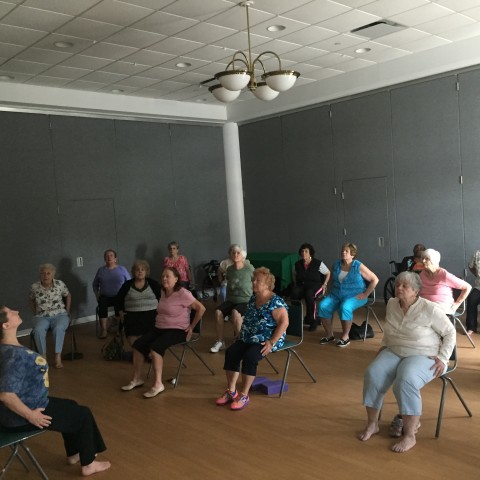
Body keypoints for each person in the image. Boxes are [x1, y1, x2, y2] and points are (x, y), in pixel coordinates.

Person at [0, 306, 111, 476]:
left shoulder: (6, 348)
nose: (16, 311)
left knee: (71, 405)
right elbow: (6, 395)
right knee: (83, 414)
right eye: (10, 313)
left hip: (22, 408)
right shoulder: (14, 356)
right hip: (23, 415)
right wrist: (31, 415)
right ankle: (88, 464)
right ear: (5, 326)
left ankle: (74, 454)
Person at [359, 271, 456, 453]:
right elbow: (389, 329)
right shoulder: (392, 304)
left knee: (405, 380)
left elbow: (450, 333)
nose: (399, 288)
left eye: (405, 286)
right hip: (395, 350)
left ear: (416, 291)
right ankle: (373, 424)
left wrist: (443, 358)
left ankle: (409, 435)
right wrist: (384, 345)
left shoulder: (430, 309)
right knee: (373, 373)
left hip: (424, 354)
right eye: (397, 285)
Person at [121, 267, 205, 398]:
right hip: (160, 328)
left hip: (178, 329)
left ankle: (158, 384)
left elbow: (201, 308)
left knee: (155, 348)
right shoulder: (162, 291)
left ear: (176, 279)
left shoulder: (183, 293)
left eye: (168, 276)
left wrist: (192, 327)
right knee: (137, 345)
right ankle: (137, 379)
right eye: (163, 276)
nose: (164, 278)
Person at [215, 267, 289, 410]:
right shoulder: (253, 298)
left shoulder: (275, 301)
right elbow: (248, 320)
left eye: (258, 281)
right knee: (231, 352)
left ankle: (244, 395)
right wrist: (240, 335)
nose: (253, 283)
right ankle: (231, 390)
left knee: (250, 357)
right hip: (249, 337)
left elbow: (284, 322)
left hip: (266, 339)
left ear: (267, 284)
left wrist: (271, 342)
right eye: (253, 280)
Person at [317, 243, 378, 347]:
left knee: (345, 307)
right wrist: (326, 287)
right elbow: (331, 278)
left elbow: (375, 279)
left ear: (352, 254)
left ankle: (345, 337)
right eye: (342, 250)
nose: (343, 252)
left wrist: (365, 294)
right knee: (322, 306)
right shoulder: (336, 264)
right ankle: (329, 334)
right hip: (336, 294)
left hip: (355, 295)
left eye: (346, 251)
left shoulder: (358, 265)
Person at [210, 245, 254, 353]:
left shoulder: (249, 269)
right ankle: (220, 341)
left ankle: (240, 342)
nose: (235, 255)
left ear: (242, 255)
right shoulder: (229, 270)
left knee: (235, 313)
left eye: (238, 252)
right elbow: (225, 278)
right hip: (231, 300)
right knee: (218, 312)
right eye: (233, 253)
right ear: (230, 255)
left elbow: (256, 282)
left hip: (245, 300)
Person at [29, 263, 71, 369]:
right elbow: (31, 299)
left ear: (53, 275)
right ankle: (43, 358)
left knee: (58, 328)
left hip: (59, 314)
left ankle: (58, 356)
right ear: (40, 275)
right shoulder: (34, 287)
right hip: (41, 316)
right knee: (38, 330)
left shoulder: (60, 284)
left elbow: (68, 295)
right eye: (43, 273)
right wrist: (35, 313)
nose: (45, 276)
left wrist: (67, 310)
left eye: (48, 273)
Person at [116, 260, 162, 347]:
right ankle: (138, 351)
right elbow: (118, 299)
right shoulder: (127, 285)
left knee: (150, 335)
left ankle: (146, 351)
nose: (140, 271)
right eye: (137, 269)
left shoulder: (153, 283)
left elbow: (162, 298)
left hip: (151, 315)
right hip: (131, 315)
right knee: (133, 337)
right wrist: (120, 312)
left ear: (146, 272)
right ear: (133, 272)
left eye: (142, 269)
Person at [291, 242, 330, 331]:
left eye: (306, 251)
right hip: (303, 285)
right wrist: (296, 285)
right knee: (294, 293)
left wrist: (325, 284)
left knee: (309, 294)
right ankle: (297, 319)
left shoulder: (318, 263)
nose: (303, 253)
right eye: (302, 251)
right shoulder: (297, 264)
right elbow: (294, 276)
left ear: (310, 253)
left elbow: (328, 273)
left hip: (316, 285)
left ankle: (313, 320)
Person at [92, 249, 130, 339]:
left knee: (119, 306)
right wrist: (97, 295)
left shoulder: (122, 269)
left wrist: (127, 295)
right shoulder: (101, 270)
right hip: (105, 296)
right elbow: (95, 285)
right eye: (107, 256)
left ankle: (119, 330)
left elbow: (129, 283)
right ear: (105, 258)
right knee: (102, 305)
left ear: (115, 258)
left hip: (119, 296)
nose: (109, 257)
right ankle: (104, 330)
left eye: (111, 255)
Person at [420, 248, 471, 314]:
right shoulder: (422, 274)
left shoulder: (444, 275)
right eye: (423, 258)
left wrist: (457, 304)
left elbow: (468, 287)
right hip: (425, 305)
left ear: (434, 260)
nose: (423, 261)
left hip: (442, 307)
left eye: (427, 259)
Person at [466, 250, 480, 335]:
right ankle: (471, 327)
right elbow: (470, 266)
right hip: (479, 286)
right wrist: (477, 275)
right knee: (471, 299)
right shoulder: (477, 253)